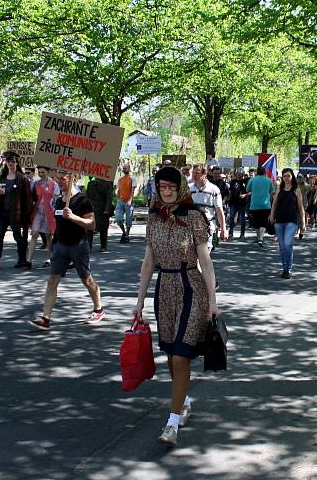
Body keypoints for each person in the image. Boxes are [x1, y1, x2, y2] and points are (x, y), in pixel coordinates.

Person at [133, 166, 220, 447]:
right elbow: (148, 263)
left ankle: (171, 424)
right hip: (164, 288)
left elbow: (205, 261)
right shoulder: (154, 219)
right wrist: (139, 302)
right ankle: (183, 401)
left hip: (191, 287)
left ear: (180, 187)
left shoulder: (194, 216)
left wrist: (213, 301)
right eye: (162, 186)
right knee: (171, 355)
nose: (166, 190)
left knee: (181, 356)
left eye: (171, 185)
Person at [29, 171, 105, 331]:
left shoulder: (83, 200)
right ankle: (45, 318)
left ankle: (98, 309)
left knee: (87, 280)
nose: (58, 182)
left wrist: (73, 217)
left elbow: (92, 224)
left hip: (79, 245)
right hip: (61, 247)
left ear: (73, 179)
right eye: (57, 179)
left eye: (62, 179)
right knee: (52, 280)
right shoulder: (58, 201)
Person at [0, 152, 32, 270]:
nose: (10, 164)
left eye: (12, 162)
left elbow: (27, 199)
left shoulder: (22, 179)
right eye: (8, 162)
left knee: (18, 236)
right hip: (3, 212)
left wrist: (27, 216)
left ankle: (22, 259)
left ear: (17, 163)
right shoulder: (2, 178)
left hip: (16, 214)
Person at [269, 168, 305, 278]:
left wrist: (303, 221)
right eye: (284, 176)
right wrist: (271, 215)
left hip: (292, 221)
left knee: (287, 244)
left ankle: (288, 269)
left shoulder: (296, 190)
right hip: (279, 220)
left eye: (288, 176)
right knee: (282, 246)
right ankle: (284, 268)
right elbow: (274, 204)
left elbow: (300, 207)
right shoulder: (279, 189)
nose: (286, 178)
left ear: (292, 177)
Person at [189, 163, 226, 252]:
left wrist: (223, 229)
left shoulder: (214, 189)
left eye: (197, 173)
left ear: (204, 174)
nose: (194, 175)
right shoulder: (189, 189)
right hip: (191, 228)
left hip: (207, 227)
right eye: (193, 173)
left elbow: (219, 210)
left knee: (203, 255)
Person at [27, 166, 58, 267]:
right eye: (39, 172)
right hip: (38, 212)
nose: (41, 174)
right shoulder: (36, 184)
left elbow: (57, 199)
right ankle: (28, 260)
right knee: (34, 233)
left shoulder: (54, 184)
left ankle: (49, 259)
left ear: (48, 172)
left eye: (43, 172)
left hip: (49, 214)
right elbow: (33, 198)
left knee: (48, 236)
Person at [246, 166, 275, 247]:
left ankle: (259, 238)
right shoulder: (268, 180)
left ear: (256, 172)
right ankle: (261, 239)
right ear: (264, 172)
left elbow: (248, 189)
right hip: (266, 205)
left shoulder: (252, 180)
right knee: (264, 222)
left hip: (254, 205)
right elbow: (272, 191)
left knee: (256, 223)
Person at [86, 176, 114, 251]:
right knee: (90, 227)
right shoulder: (91, 184)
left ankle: (102, 246)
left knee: (103, 228)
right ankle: (91, 246)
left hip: (101, 209)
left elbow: (109, 198)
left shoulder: (107, 184)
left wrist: (107, 209)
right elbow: (87, 197)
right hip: (95, 209)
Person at [115, 165, 137, 243]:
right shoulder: (120, 179)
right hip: (120, 202)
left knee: (128, 220)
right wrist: (118, 198)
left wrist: (130, 200)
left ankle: (127, 234)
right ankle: (124, 232)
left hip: (128, 202)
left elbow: (132, 191)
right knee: (118, 219)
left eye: (125, 168)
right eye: (123, 168)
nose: (124, 170)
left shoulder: (133, 179)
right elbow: (118, 190)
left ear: (129, 169)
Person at [227, 167, 249, 239]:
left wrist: (245, 195)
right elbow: (230, 191)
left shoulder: (246, 181)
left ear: (243, 174)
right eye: (238, 173)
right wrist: (229, 200)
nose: (239, 174)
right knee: (231, 217)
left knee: (242, 219)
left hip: (242, 203)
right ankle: (231, 232)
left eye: (240, 173)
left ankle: (242, 234)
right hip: (234, 202)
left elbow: (249, 191)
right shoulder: (233, 181)